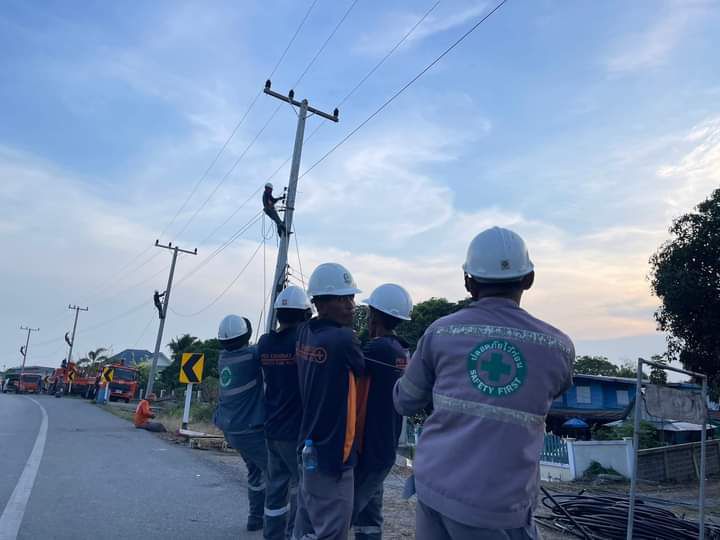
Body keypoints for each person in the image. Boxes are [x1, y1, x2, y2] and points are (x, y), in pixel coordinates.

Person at [394, 227, 574, 540]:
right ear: (529, 279)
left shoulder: (440, 333)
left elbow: (405, 401)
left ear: (468, 282)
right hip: (501, 505)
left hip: (434, 490)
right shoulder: (557, 346)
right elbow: (552, 390)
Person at [294, 263, 365, 540]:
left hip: (309, 444)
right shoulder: (344, 339)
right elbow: (361, 369)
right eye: (342, 299)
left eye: (351, 298)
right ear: (321, 304)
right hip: (334, 452)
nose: (351, 305)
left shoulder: (305, 331)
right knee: (333, 530)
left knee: (307, 523)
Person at [352, 284, 412, 540]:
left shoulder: (378, 349)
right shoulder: (399, 350)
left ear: (374, 315)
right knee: (370, 512)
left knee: (344, 509)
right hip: (385, 445)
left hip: (370, 447)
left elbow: (346, 364)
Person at [258, 286, 313, 540]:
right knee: (301, 486)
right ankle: (293, 534)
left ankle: (272, 534)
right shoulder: (301, 343)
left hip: (272, 427)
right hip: (295, 431)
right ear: (305, 315)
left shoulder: (265, 343)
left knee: (276, 487)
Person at [213, 315, 268, 533]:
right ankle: (279, 525)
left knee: (255, 472)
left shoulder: (223, 358)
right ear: (247, 335)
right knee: (277, 473)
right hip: (250, 430)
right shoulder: (251, 356)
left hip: (231, 430)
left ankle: (255, 518)